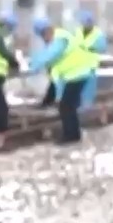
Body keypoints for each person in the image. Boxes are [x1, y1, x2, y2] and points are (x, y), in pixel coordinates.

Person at [24, 16, 87, 144]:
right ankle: (74, 135)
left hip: (77, 75)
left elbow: (49, 55)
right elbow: (53, 78)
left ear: (48, 30)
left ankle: (71, 136)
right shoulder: (55, 40)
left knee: (66, 106)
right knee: (69, 105)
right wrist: (46, 101)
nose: (44, 38)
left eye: (44, 34)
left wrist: (33, 67)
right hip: (74, 76)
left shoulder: (60, 38)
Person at [72, 9, 106, 109]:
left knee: (88, 91)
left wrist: (90, 48)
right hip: (78, 66)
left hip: (90, 66)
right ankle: (77, 108)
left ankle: (86, 109)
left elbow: (102, 47)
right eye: (84, 22)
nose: (86, 24)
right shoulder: (77, 32)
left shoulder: (98, 33)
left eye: (88, 21)